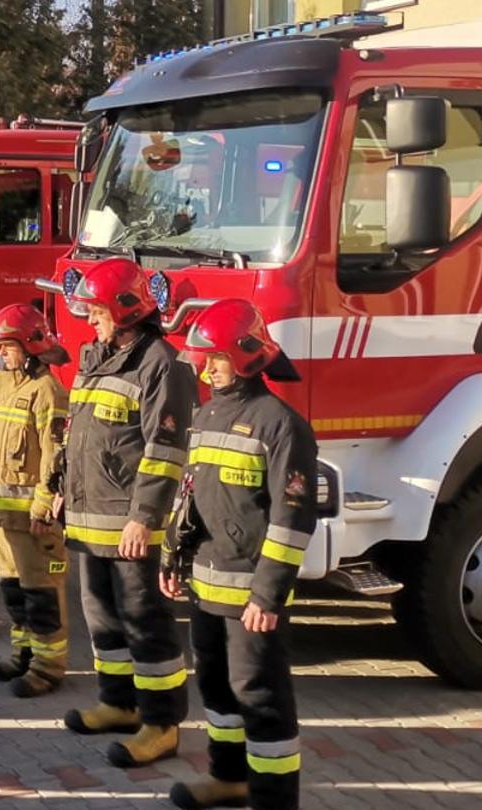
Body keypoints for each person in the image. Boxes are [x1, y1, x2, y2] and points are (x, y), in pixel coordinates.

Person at [164, 298, 315, 810]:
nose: (207, 369)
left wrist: (268, 595)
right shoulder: (207, 414)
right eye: (204, 360)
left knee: (260, 696)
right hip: (206, 584)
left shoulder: (280, 425)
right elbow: (191, 493)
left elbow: (292, 521)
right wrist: (174, 556)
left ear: (248, 356)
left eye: (217, 359)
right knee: (217, 687)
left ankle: (274, 798)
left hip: (250, 593)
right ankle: (228, 778)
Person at [57, 260, 193, 769]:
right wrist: (59, 488)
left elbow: (166, 448)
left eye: (97, 311)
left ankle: (161, 725)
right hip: (90, 516)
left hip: (129, 524)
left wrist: (145, 516)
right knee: (102, 617)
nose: (89, 320)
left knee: (145, 622)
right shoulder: (95, 356)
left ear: (125, 311)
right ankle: (117, 703)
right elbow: (79, 432)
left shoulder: (161, 363)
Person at [0, 304, 72, 697]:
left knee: (41, 591)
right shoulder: (4, 383)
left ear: (30, 346)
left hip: (31, 518)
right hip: (1, 514)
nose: (1, 353)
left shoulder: (47, 391)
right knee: (13, 589)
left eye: (8, 347)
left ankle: (48, 667)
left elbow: (54, 455)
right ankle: (24, 653)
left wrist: (44, 507)